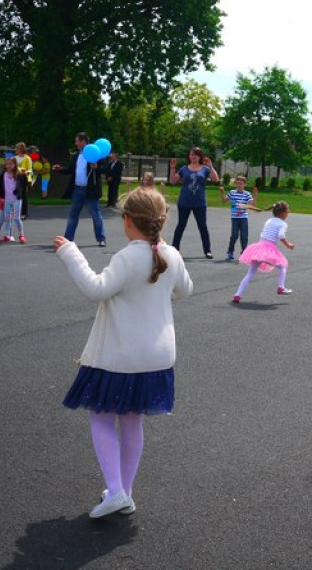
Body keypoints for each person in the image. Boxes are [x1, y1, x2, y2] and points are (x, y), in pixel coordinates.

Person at [54, 188, 192, 518]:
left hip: (121, 356)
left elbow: (96, 288)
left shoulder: (128, 257)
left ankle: (115, 491)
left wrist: (71, 253)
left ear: (127, 221)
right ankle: (124, 491)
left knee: (101, 418)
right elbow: (185, 289)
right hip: (156, 358)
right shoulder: (171, 254)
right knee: (131, 422)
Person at [231, 201, 295, 302]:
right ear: (283, 213)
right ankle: (281, 287)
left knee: (250, 273)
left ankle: (237, 295)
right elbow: (281, 236)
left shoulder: (269, 220)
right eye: (287, 211)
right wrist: (288, 245)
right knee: (283, 265)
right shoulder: (283, 224)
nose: (288, 213)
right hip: (269, 249)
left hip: (258, 248)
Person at [56, 132, 107, 247]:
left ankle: (101, 238)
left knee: (95, 214)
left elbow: (105, 169)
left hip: (90, 190)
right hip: (78, 189)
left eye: (77, 141)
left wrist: (97, 167)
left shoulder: (96, 154)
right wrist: (60, 170)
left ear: (84, 142)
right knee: (73, 215)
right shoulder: (76, 156)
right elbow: (70, 170)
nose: (75, 143)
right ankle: (68, 239)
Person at [169, 147, 220, 259]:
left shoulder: (205, 169)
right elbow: (172, 181)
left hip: (200, 203)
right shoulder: (184, 169)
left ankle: (207, 250)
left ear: (200, 157)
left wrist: (211, 166)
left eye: (196, 154)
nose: (193, 156)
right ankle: (175, 248)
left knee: (202, 226)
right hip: (184, 202)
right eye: (192, 154)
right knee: (181, 225)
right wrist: (172, 168)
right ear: (189, 156)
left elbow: (216, 179)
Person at [0, 157, 28, 243]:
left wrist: (25, 175)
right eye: (7, 164)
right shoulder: (4, 174)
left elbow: (25, 184)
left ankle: (21, 235)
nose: (9, 166)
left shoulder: (19, 175)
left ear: (15, 165)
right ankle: (7, 235)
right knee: (7, 218)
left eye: (11, 164)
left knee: (16, 218)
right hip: (7, 200)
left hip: (16, 200)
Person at [221, 175, 257, 260]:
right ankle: (230, 252)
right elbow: (224, 201)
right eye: (237, 184)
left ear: (244, 184)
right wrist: (222, 192)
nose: (238, 185)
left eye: (240, 184)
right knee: (234, 236)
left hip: (243, 217)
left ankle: (244, 253)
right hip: (235, 218)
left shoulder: (247, 194)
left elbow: (252, 205)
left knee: (244, 237)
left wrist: (255, 195)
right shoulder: (232, 192)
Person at [13, 142, 33, 219]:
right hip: (16, 178)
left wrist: (25, 172)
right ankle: (15, 212)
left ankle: (24, 213)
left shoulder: (27, 158)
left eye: (17, 148)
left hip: (24, 178)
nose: (16, 150)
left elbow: (30, 170)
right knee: (15, 195)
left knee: (23, 195)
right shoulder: (15, 158)